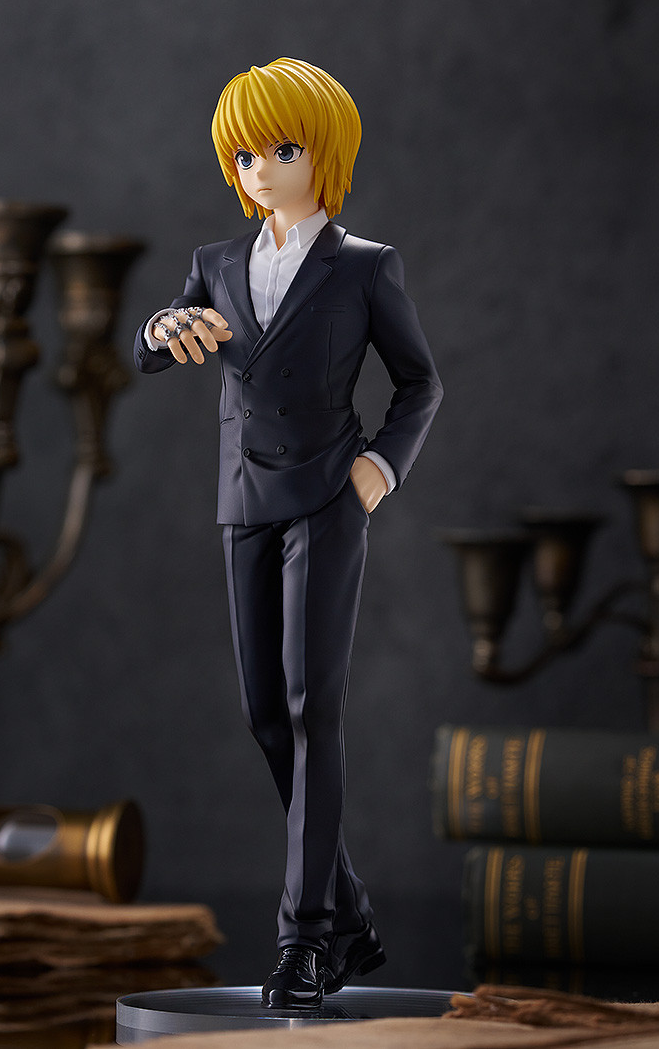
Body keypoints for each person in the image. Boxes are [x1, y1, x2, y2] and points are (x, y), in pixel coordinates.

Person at [134, 57, 442, 1009]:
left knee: (314, 709)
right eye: (244, 154)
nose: (260, 169)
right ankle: (350, 916)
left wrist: (379, 468)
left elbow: (420, 382)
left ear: (325, 154)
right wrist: (161, 326)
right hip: (243, 499)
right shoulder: (216, 262)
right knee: (265, 712)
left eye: (281, 149)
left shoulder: (365, 266)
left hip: (326, 497)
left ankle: (305, 938)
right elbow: (155, 345)